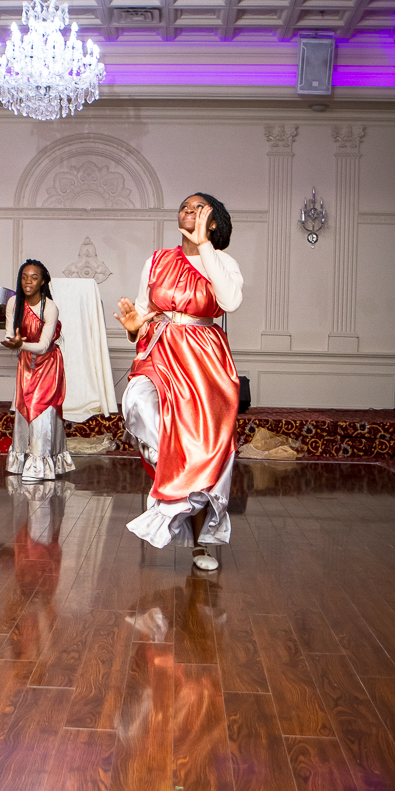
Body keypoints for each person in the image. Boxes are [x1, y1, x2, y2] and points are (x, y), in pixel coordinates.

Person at [115, 193, 243, 568]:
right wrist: (133, 327)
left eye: (197, 208)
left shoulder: (223, 262)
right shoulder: (157, 260)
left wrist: (204, 247)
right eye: (184, 207)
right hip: (160, 352)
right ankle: (173, 472)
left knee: (204, 450)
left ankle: (202, 542)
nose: (186, 211)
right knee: (137, 400)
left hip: (204, 362)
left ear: (213, 221)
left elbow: (230, 301)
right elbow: (142, 311)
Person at [1, 259, 75, 481]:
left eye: (33, 277)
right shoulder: (13, 303)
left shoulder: (49, 307)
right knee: (25, 409)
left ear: (43, 281)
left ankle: (39, 466)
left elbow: (43, 346)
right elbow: (9, 334)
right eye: (24, 277)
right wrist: (12, 341)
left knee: (41, 410)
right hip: (26, 362)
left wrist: (19, 344)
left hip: (48, 363)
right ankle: (22, 461)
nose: (28, 282)